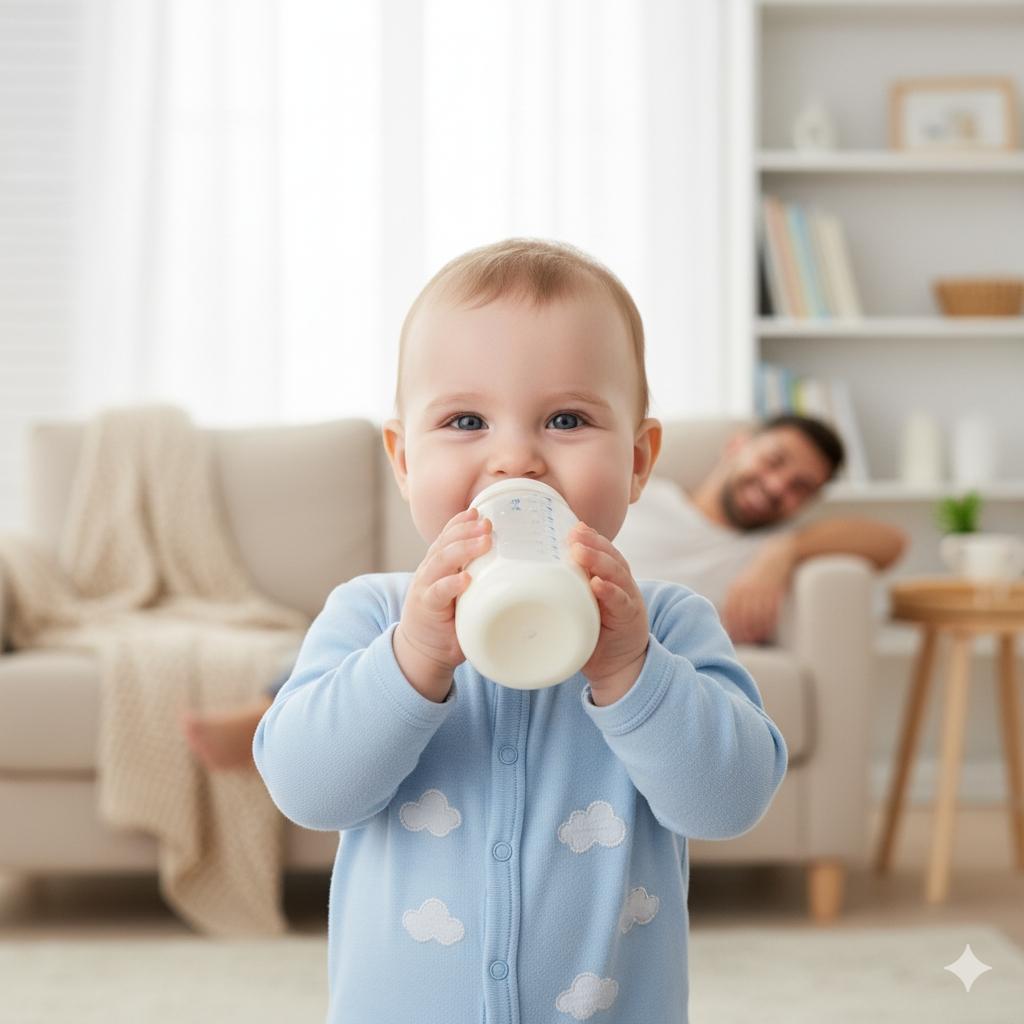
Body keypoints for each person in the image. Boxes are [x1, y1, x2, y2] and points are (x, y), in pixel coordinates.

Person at [251, 238, 787, 1024]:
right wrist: (414, 657)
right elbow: (307, 790)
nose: (515, 460)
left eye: (566, 419)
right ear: (403, 460)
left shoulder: (666, 625)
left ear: (639, 460)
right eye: (465, 420)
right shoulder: (371, 616)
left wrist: (631, 669)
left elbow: (729, 802)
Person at [614, 414, 908, 645]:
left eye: (800, 487)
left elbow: (891, 542)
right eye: (773, 461)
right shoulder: (640, 493)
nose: (777, 486)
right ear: (736, 446)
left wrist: (785, 550)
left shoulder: (765, 547)